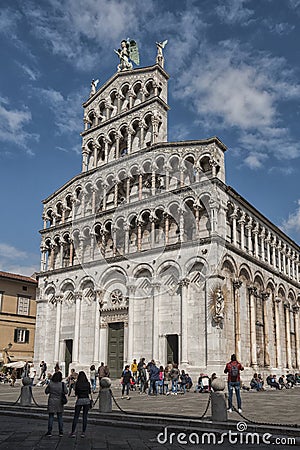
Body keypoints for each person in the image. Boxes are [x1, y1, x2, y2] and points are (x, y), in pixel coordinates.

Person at [45, 371, 68, 437]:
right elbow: (66, 392)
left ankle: (49, 432)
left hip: (51, 400)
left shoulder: (50, 384)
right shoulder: (62, 384)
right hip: (59, 401)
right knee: (60, 417)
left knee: (51, 417)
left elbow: (46, 391)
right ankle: (61, 432)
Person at [69, 371, 92, 438]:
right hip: (87, 400)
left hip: (80, 400)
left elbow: (76, 393)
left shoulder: (78, 383)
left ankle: (73, 432)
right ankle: (83, 433)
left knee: (76, 416)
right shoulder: (87, 383)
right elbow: (89, 392)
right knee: (85, 417)